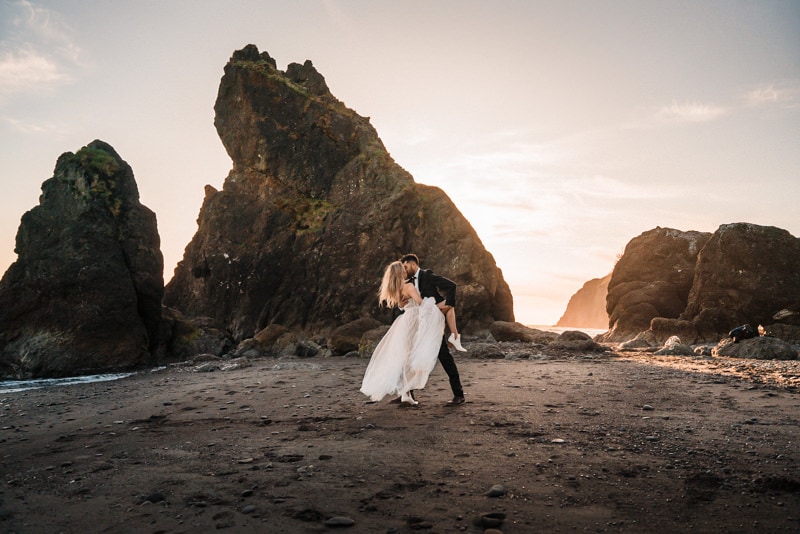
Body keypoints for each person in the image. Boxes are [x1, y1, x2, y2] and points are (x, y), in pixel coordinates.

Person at [360, 261, 445, 405]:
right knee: (413, 356)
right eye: (403, 269)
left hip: (404, 321)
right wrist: (435, 305)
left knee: (405, 357)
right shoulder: (409, 286)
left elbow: (402, 306)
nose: (406, 270)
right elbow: (420, 303)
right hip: (414, 320)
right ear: (401, 273)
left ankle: (405, 394)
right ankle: (406, 393)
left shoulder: (396, 289)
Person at [401, 253, 466, 405]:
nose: (404, 269)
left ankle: (459, 394)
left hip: (433, 325)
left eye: (405, 266)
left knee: (444, 356)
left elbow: (452, 286)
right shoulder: (408, 282)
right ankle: (407, 393)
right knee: (408, 357)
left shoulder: (427, 276)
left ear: (413, 264)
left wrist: (449, 304)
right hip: (417, 325)